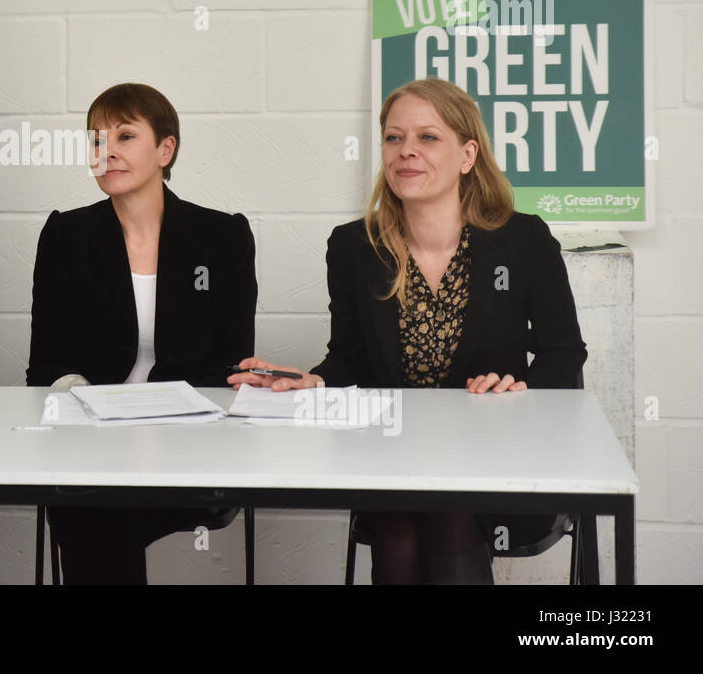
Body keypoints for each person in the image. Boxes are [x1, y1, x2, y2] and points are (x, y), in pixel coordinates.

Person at [229, 78, 587, 584]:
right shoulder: (355, 246)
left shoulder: (523, 240)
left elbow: (564, 353)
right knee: (401, 519)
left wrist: (520, 390)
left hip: (494, 453)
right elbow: (348, 358)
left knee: (443, 511)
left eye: (427, 138)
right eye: (394, 138)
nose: (406, 152)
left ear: (468, 154)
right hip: (391, 456)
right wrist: (313, 382)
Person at [27, 83, 257, 584]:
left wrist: (158, 421)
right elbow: (44, 366)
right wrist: (89, 408)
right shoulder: (66, 236)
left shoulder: (220, 237)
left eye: (125, 136)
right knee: (90, 507)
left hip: (188, 444)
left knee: (98, 515)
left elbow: (231, 363)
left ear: (165, 149)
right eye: (96, 140)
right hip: (92, 445)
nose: (105, 151)